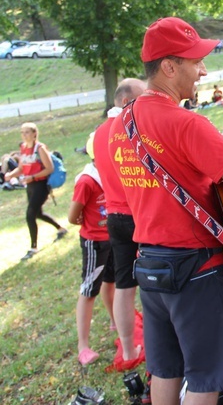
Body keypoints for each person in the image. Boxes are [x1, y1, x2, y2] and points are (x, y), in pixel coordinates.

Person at [108, 17, 223, 404]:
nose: (202, 71)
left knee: (165, 370)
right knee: (205, 376)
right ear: (169, 67)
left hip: (148, 264)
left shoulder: (121, 125)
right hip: (196, 269)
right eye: (195, 61)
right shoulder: (187, 123)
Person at [92, 78, 146, 365]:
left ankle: (128, 350)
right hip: (140, 214)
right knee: (152, 282)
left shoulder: (98, 134)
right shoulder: (130, 127)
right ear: (126, 101)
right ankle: (162, 337)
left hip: (114, 215)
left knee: (125, 286)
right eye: (140, 100)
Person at [68, 137, 115, 366]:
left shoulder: (111, 174)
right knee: (89, 290)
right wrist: (91, 223)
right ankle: (83, 346)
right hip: (94, 244)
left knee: (111, 282)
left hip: (113, 239)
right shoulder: (87, 181)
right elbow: (72, 216)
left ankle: (115, 320)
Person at [4, 122, 68, 260]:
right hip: (30, 186)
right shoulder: (23, 148)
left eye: (27, 132)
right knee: (38, 213)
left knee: (30, 214)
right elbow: (21, 168)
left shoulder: (40, 149)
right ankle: (61, 229)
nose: (24, 135)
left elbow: (49, 169)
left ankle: (33, 247)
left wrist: (32, 176)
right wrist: (11, 175)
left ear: (34, 134)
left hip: (41, 185)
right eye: (22, 132)